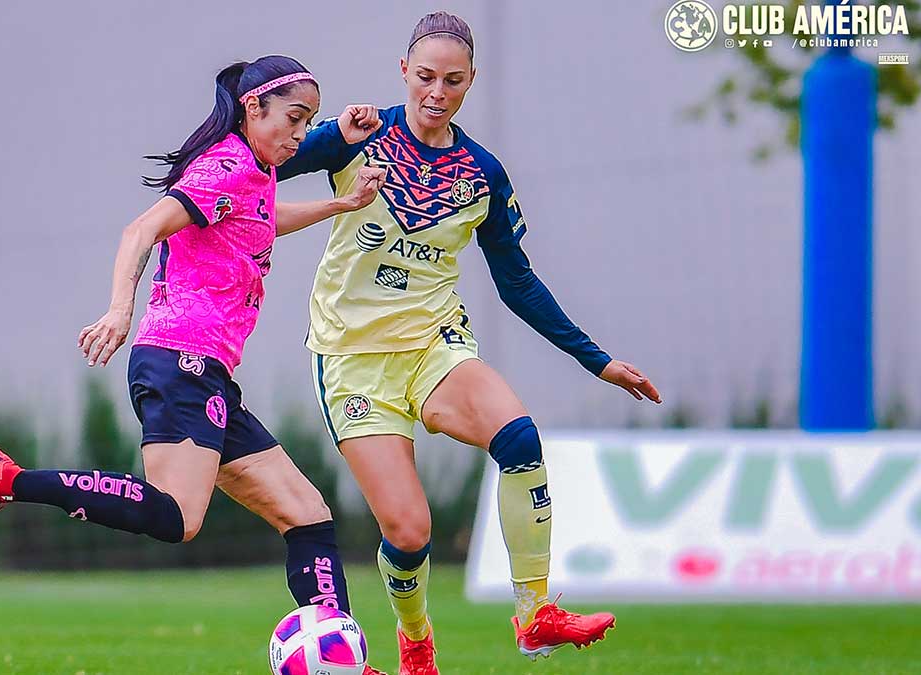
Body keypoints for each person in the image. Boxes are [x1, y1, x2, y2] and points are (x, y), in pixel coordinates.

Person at [0, 55, 388, 674]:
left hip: (208, 373)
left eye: (308, 122)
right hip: (180, 360)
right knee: (176, 517)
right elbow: (140, 230)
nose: (299, 135)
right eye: (294, 119)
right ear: (254, 107)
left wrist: (338, 207)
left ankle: (342, 662)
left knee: (308, 517)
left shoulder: (254, 173)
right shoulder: (227, 164)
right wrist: (120, 310)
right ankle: (10, 479)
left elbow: (262, 219)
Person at [277, 13, 662, 673]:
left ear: (470, 82)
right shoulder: (354, 137)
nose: (436, 92)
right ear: (404, 72)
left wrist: (596, 360)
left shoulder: (482, 172)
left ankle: (536, 613)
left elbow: (517, 283)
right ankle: (417, 643)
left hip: (434, 344)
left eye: (452, 81)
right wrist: (194, 207)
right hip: (352, 361)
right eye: (425, 76)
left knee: (518, 437)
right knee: (410, 531)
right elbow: (264, 167)